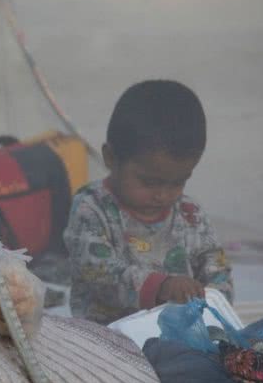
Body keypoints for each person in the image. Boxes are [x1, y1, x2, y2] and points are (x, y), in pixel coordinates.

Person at [63, 79, 234, 324]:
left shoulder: (189, 213)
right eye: (149, 182)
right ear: (111, 158)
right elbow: (97, 271)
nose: (163, 195)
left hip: (176, 331)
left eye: (178, 182)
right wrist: (161, 286)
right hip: (108, 334)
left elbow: (215, 264)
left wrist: (213, 298)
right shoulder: (91, 208)